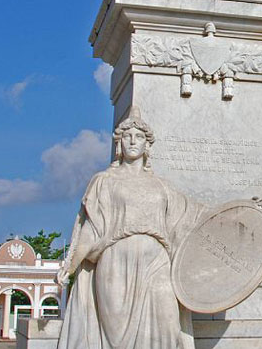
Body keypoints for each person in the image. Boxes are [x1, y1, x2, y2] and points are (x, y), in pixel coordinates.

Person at [55, 109, 207, 349]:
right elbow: (91, 230)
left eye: (139, 136)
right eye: (127, 136)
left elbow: (196, 216)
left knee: (168, 327)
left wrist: (242, 211)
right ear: (119, 143)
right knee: (117, 339)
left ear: (148, 145)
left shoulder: (161, 186)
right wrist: (70, 266)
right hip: (115, 264)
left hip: (157, 264)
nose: (133, 141)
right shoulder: (104, 181)